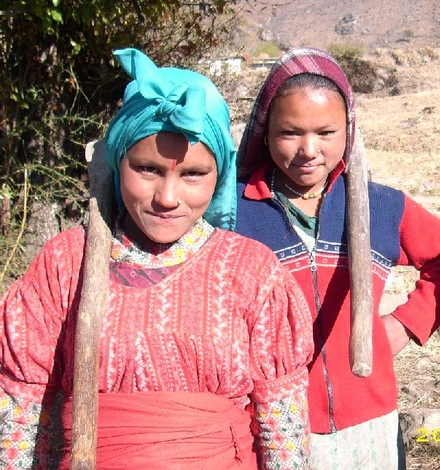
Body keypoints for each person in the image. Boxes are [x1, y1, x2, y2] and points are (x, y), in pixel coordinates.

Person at [0, 48, 313, 469]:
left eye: (193, 174)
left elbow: (282, 427)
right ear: (119, 163)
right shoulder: (65, 263)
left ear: (219, 177)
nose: (167, 197)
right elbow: (20, 410)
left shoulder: (252, 271)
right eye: (147, 169)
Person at [234, 47, 440, 469]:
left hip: (370, 420)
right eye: (290, 132)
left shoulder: (380, 206)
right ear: (265, 132)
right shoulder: (233, 213)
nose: (308, 149)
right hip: (270, 424)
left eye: (326, 132)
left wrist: (406, 324)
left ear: (349, 130)